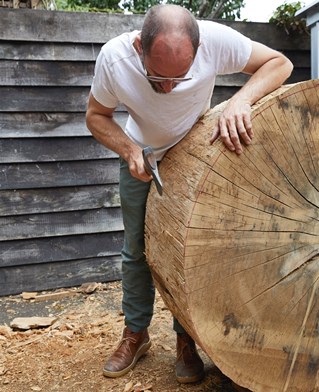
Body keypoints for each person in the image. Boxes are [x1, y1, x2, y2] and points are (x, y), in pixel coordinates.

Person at [86, 4, 293, 384]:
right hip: (141, 153)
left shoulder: (215, 40)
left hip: (195, 152)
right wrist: (131, 151)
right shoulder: (114, 59)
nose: (167, 88)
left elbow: (280, 63)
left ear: (199, 51)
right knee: (136, 251)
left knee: (190, 251)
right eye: (156, 77)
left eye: (178, 79)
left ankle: (186, 340)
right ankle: (136, 334)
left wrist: (240, 100)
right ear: (138, 47)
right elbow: (95, 116)